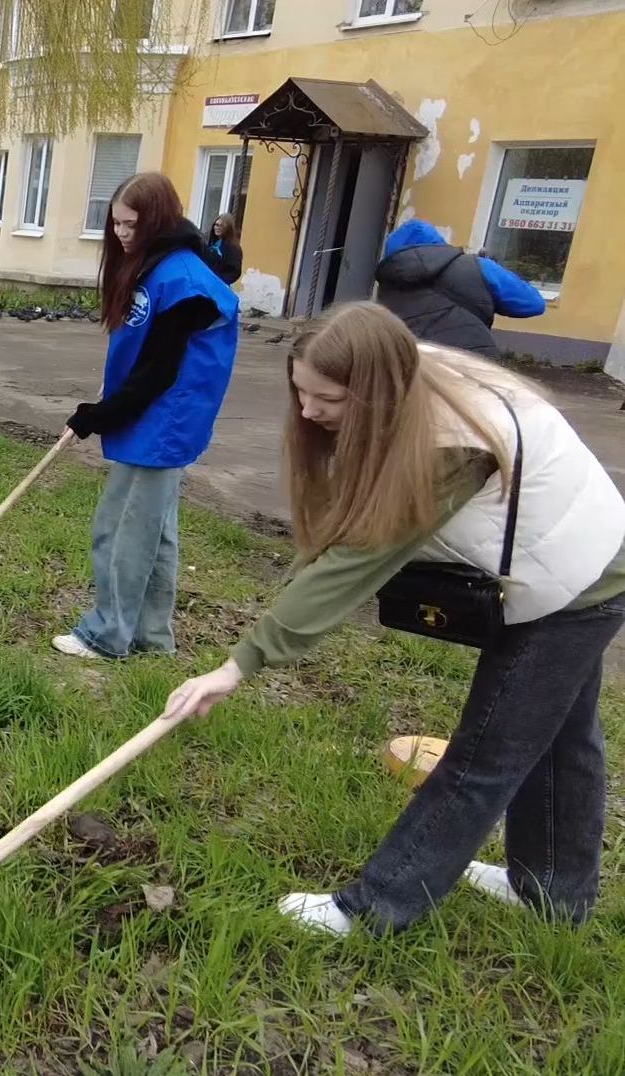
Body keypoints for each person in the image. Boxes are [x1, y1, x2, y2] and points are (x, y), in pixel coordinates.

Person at [158, 301, 625, 936]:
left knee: (486, 754)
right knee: (563, 738)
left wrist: (239, 664)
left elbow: (358, 561)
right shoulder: (408, 373)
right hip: (585, 554)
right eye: (299, 391)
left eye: (327, 399)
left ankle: (375, 908)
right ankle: (552, 893)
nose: (307, 411)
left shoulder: (444, 445)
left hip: (579, 582)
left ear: (375, 389)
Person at [54, 172, 240, 660]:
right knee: (155, 534)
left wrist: (98, 416)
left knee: (120, 530)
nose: (120, 233)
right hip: (154, 415)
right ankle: (150, 638)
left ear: (155, 219)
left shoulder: (186, 281)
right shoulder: (157, 266)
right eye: (114, 223)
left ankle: (106, 634)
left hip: (164, 420)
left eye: (130, 224)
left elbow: (159, 371)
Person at [374, 218, 546, 356]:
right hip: (468, 363)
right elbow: (533, 304)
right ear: (439, 243)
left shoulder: (389, 276)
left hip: (406, 362)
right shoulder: (479, 267)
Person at [202, 213, 242, 285]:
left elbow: (235, 271)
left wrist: (219, 281)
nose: (218, 228)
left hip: (219, 285)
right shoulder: (211, 243)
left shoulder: (232, 247)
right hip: (207, 282)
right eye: (216, 225)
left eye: (222, 226)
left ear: (228, 228)